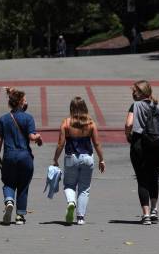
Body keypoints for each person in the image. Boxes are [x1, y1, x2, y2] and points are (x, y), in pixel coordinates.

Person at [125, 80, 159, 225]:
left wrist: (128, 135)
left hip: (140, 144)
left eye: (135, 91)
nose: (133, 93)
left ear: (142, 92)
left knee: (142, 179)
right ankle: (154, 210)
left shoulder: (135, 106)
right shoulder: (158, 106)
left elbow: (129, 124)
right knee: (153, 177)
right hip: (158, 146)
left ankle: (146, 215)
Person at [52, 96, 105, 225]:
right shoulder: (90, 123)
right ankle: (80, 218)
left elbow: (60, 144)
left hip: (71, 157)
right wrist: (101, 159)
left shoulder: (66, 123)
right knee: (84, 188)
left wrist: (55, 159)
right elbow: (97, 143)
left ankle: (71, 202)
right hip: (87, 158)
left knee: (69, 185)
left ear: (71, 108)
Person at [0, 87, 43, 225]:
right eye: (25, 100)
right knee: (23, 185)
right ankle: (20, 216)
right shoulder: (28, 118)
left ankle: (9, 200)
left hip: (9, 156)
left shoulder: (4, 119)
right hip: (25, 157)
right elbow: (31, 136)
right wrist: (39, 137)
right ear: (21, 102)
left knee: (8, 182)